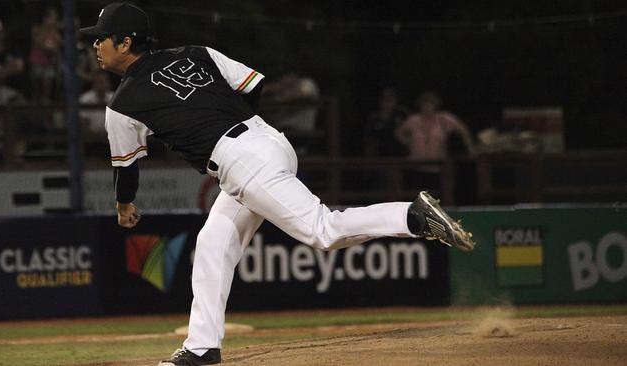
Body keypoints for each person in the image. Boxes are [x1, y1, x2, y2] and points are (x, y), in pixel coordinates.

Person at [80, 3, 475, 365]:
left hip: (242, 161)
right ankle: (202, 346)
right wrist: (235, 127)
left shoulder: (122, 103)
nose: (96, 45)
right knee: (214, 243)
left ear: (126, 42)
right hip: (267, 140)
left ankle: (412, 216)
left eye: (101, 37)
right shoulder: (194, 53)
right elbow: (253, 85)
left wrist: (124, 205)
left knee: (323, 230)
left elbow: (127, 165)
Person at [396, 91, 475, 162]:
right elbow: (399, 132)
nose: (427, 107)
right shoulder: (413, 120)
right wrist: (408, 142)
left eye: (430, 104)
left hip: (438, 165)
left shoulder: (443, 119)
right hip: (416, 164)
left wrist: (470, 149)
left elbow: (462, 129)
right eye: (424, 104)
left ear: (435, 105)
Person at [363, 87, 408, 157]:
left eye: (390, 100)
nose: (387, 103)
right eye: (385, 99)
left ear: (395, 101)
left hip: (399, 158)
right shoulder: (374, 118)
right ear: (380, 101)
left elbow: (408, 137)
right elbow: (369, 140)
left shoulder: (401, 115)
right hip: (380, 159)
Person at [29, 7, 62, 103]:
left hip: (49, 65)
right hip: (36, 63)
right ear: (45, 18)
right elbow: (37, 43)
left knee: (47, 89)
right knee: (36, 90)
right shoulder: (37, 29)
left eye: (55, 18)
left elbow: (57, 48)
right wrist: (46, 30)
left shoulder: (56, 34)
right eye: (51, 18)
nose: (53, 21)